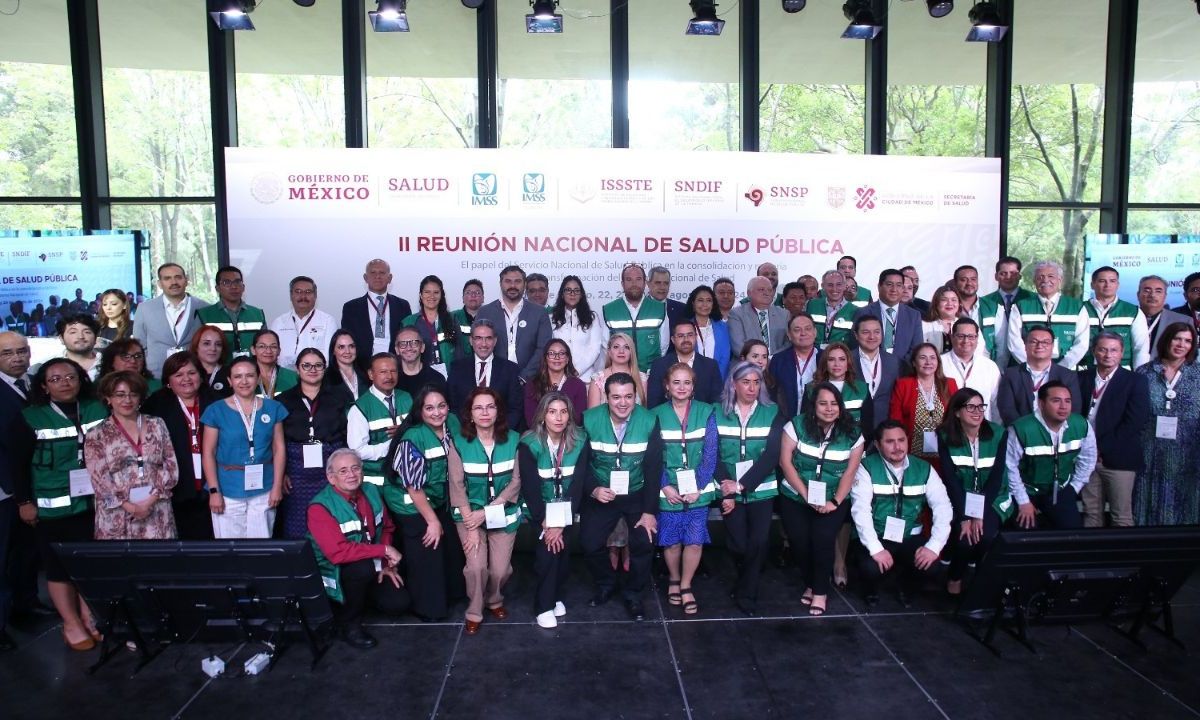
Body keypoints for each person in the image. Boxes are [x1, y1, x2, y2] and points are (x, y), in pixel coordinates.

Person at [13, 358, 107, 650]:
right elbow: (17, 463)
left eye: (71, 377)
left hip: (93, 502)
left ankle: (89, 615)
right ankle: (71, 622)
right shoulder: (31, 416)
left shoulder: (96, 408)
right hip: (52, 506)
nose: (65, 383)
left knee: (89, 563)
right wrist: (24, 501)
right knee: (58, 567)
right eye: (56, 379)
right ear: (43, 385)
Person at [580, 373, 664, 621]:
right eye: (616, 397)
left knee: (644, 543)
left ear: (635, 396)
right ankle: (606, 584)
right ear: (606, 397)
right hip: (602, 493)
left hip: (637, 493)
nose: (623, 403)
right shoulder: (588, 419)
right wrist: (593, 489)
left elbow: (653, 468)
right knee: (589, 542)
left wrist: (649, 512)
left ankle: (633, 593)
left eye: (629, 396)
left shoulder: (649, 420)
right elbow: (581, 465)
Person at [307, 448, 409, 649]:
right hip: (335, 573)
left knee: (399, 603)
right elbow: (338, 553)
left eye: (355, 468)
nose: (351, 475)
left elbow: (387, 527)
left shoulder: (370, 490)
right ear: (331, 477)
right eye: (343, 471)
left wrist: (386, 563)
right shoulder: (319, 507)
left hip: (371, 563)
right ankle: (348, 623)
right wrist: (384, 551)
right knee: (361, 569)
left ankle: (362, 598)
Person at [779, 382, 865, 615]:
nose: (829, 409)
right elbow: (785, 463)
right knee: (799, 541)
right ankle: (811, 582)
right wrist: (806, 496)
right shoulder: (795, 426)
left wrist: (834, 502)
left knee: (823, 538)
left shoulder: (853, 434)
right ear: (813, 405)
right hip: (795, 495)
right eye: (823, 403)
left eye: (834, 403)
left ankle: (820, 592)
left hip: (833, 498)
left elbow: (850, 471)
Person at [385, 384, 465, 622]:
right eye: (429, 408)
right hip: (410, 502)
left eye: (441, 406)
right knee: (430, 543)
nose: (437, 412)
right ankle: (428, 608)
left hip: (437, 498)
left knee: (451, 544)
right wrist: (432, 521)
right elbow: (413, 486)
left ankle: (454, 596)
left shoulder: (452, 423)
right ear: (420, 411)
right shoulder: (412, 438)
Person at [850, 420, 951, 607]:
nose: (897, 447)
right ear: (878, 446)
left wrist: (934, 547)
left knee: (932, 566)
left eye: (901, 440)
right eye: (890, 442)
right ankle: (870, 589)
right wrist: (876, 549)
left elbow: (943, 508)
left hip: (909, 536)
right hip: (877, 534)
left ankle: (906, 585)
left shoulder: (924, 469)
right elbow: (860, 512)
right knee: (870, 568)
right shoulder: (865, 467)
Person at [448, 388, 522, 635]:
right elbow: (456, 485)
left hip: (503, 513)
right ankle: (475, 611)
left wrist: (489, 510)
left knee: (501, 570)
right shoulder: (458, 442)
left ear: (498, 410)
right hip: (470, 515)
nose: (485, 412)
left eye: (490, 406)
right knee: (476, 566)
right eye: (478, 408)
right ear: (470, 414)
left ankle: (495, 599)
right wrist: (471, 524)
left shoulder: (514, 439)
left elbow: (516, 482)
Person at [714, 362, 780, 616]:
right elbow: (712, 453)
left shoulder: (772, 411)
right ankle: (746, 581)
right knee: (738, 544)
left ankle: (747, 594)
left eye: (756, 382)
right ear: (733, 383)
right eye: (746, 382)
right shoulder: (716, 411)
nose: (752, 388)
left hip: (760, 489)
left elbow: (771, 456)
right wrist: (727, 486)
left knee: (759, 541)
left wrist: (743, 485)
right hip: (728, 487)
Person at [519, 391, 589, 629]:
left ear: (570, 416)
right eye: (552, 412)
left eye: (563, 411)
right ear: (542, 416)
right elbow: (530, 488)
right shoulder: (528, 443)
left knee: (563, 554)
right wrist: (547, 523)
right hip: (540, 510)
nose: (558, 417)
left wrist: (561, 523)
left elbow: (578, 485)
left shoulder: (580, 441)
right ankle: (543, 606)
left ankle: (556, 596)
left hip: (567, 508)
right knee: (548, 554)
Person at [652, 363, 718, 616]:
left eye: (687, 382)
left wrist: (699, 486)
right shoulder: (655, 414)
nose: (682, 387)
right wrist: (665, 485)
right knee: (670, 539)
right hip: (667, 488)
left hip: (698, 489)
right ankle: (674, 578)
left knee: (694, 538)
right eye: (676, 382)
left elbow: (711, 452)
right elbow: (653, 455)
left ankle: (687, 584)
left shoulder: (706, 412)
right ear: (667, 386)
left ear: (693, 387)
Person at [200, 356, 287, 539]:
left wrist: (277, 486)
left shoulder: (273, 408)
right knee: (231, 549)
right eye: (238, 377)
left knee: (262, 547)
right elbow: (208, 453)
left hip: (264, 486)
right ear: (230, 381)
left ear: (257, 379)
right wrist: (214, 491)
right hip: (227, 488)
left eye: (249, 375)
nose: (244, 381)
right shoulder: (216, 410)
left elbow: (279, 449)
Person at [84, 370, 178, 540]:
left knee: (159, 563)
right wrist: (131, 507)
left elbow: (170, 465)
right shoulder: (96, 434)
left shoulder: (157, 424)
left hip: (156, 508)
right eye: (120, 395)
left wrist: (150, 500)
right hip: (118, 513)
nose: (127, 400)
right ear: (108, 398)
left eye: (133, 394)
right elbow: (99, 479)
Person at [936, 388, 1007, 595]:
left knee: (986, 538)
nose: (977, 411)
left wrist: (979, 514)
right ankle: (954, 578)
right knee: (965, 538)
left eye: (980, 406)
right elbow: (950, 480)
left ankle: (983, 586)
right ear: (957, 412)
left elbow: (996, 479)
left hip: (992, 499)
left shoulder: (998, 434)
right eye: (970, 407)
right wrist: (965, 516)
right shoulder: (944, 435)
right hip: (959, 498)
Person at [1078, 332, 1151, 527]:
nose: (1107, 355)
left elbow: (1135, 421)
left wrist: (1101, 448)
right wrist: (1088, 450)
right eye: (1102, 349)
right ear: (1094, 351)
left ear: (1122, 353)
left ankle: (1122, 557)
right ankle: (1090, 556)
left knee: (1122, 516)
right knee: (1090, 513)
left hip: (1119, 459)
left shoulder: (1135, 381)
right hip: (1086, 458)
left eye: (1113, 350)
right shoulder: (1081, 378)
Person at [277, 348, 350, 540]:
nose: (312, 370)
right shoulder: (283, 400)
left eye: (318, 365)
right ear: (297, 369)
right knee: (297, 521)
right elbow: (278, 440)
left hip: (329, 465)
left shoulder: (339, 397)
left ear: (325, 368)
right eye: (306, 365)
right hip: (296, 469)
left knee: (330, 517)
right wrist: (282, 472)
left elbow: (346, 433)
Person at [142, 352, 214, 540]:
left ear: (201, 375)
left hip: (213, 486)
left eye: (191, 373)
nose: (186, 379)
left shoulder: (216, 400)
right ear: (168, 381)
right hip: (175, 488)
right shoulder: (156, 404)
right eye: (178, 375)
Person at [1006, 381, 1097, 530]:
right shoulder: (1020, 429)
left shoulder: (1081, 425)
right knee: (1025, 531)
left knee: (1072, 533)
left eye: (1067, 401)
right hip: (1025, 490)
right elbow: (1009, 467)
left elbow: (1088, 460)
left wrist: (1073, 488)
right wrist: (1023, 501)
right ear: (1041, 404)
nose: (1063, 406)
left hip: (1061, 489)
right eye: (1056, 401)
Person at [1134, 322, 1200, 525]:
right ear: (1166, 340)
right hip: (1149, 450)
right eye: (1177, 339)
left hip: (1188, 452)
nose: (1181, 344)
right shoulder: (1144, 372)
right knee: (1146, 497)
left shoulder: (1197, 374)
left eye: (1188, 341)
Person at [0, 332, 33, 648]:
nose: (17, 358)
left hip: (31, 485)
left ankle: (26, 606)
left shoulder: (35, 384)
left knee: (26, 553)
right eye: (8, 353)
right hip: (5, 490)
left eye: (21, 351)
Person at [1006, 260, 1089, 369]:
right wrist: (1033, 367)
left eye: (1051, 276)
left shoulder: (1076, 307)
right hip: (1029, 371)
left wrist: (1061, 368)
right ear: (1034, 281)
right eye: (1040, 277)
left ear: (1060, 280)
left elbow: (1081, 344)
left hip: (1066, 371)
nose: (1045, 280)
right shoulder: (1020, 307)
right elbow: (1014, 343)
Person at [475, 265, 553, 380]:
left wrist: (524, 377)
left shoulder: (539, 312)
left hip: (531, 381)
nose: (512, 286)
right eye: (508, 281)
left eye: (517, 281)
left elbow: (543, 348)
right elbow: (479, 345)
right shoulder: (485, 312)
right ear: (500, 284)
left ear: (525, 285)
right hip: (494, 378)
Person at [347, 353, 413, 487]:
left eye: (393, 371)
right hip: (377, 482)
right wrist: (393, 444)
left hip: (406, 477)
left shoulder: (407, 398)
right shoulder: (359, 408)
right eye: (383, 372)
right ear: (371, 374)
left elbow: (420, 431)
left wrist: (406, 433)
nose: (389, 376)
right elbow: (357, 451)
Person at [133, 263, 210, 379]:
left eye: (178, 277)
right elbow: (139, 346)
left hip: (193, 376)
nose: (173, 282)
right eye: (167, 278)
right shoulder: (144, 309)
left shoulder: (204, 308)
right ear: (160, 283)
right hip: (156, 375)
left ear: (186, 280)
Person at [889, 343, 958, 470]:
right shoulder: (903, 385)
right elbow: (895, 419)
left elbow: (956, 419)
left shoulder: (950, 384)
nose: (928, 362)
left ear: (938, 362)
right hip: (912, 453)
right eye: (923, 358)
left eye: (932, 358)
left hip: (944, 452)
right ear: (914, 363)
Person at [995, 326, 1082, 425]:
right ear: (1025, 345)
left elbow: (1074, 409)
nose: (1039, 345)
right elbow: (1007, 410)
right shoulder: (1011, 374)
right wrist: (1028, 432)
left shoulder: (1067, 376)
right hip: (1021, 434)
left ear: (1053, 346)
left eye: (1045, 342)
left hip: (1058, 434)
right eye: (1033, 342)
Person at [447, 319, 523, 431]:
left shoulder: (510, 369)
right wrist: (466, 431)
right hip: (466, 436)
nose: (483, 344)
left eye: (488, 338)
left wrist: (500, 432)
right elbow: (453, 407)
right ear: (471, 340)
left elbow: (515, 408)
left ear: (495, 341)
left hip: (501, 435)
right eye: (478, 338)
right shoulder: (457, 368)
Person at [340, 259, 413, 369]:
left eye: (382, 273)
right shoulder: (351, 307)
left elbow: (408, 337)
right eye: (373, 273)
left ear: (390, 278)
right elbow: (348, 341)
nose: (377, 276)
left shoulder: (402, 305)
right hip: (362, 367)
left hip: (395, 367)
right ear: (365, 278)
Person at [1079, 266, 1150, 372]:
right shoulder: (1079, 309)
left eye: (1112, 281)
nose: (1107, 285)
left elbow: (1140, 349)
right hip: (1084, 371)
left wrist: (1139, 376)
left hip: (1122, 373)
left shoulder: (1133, 311)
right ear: (1092, 285)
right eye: (1102, 281)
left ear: (1118, 285)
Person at [601, 263, 669, 373]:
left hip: (650, 374)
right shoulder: (609, 310)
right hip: (620, 375)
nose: (634, 284)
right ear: (622, 284)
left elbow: (663, 345)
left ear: (645, 283)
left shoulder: (659, 309)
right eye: (629, 279)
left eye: (638, 279)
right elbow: (605, 345)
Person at [194, 265, 266, 361]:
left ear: (243, 287)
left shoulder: (257, 314)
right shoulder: (204, 315)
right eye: (226, 282)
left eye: (237, 282)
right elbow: (196, 349)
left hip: (251, 372)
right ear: (217, 288)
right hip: (218, 371)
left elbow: (265, 344)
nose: (233, 286)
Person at [647, 319, 723, 407]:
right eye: (680, 336)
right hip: (668, 419)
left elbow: (717, 401)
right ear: (673, 339)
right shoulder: (659, 365)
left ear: (696, 336)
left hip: (704, 418)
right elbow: (653, 403)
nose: (686, 339)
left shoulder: (710, 365)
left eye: (690, 335)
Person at [269, 275, 338, 370]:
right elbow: (271, 355)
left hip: (316, 377)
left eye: (308, 292)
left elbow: (330, 356)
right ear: (291, 295)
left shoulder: (328, 321)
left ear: (315, 295)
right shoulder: (278, 323)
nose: (303, 296)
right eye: (298, 292)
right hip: (284, 379)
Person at [940, 318, 1002, 424]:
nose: (966, 341)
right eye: (961, 336)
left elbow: (996, 404)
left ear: (977, 339)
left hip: (982, 429)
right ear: (951, 337)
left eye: (971, 337)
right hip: (947, 429)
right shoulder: (939, 363)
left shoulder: (990, 366)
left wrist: (994, 429)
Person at [854, 269, 924, 362]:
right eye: (889, 284)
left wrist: (897, 368)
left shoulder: (913, 315)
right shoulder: (863, 312)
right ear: (879, 287)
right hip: (870, 369)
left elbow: (917, 349)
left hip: (903, 370)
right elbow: (856, 346)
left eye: (899, 285)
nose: (894, 289)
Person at [805, 341, 873, 432]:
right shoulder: (811, 389)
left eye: (842, 359)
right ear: (825, 363)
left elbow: (868, 427)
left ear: (848, 364)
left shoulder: (862, 389)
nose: (837, 364)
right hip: (819, 442)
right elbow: (806, 422)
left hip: (854, 443)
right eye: (831, 359)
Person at [982, 256, 1036, 368]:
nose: (1008, 277)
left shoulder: (1032, 300)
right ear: (996, 276)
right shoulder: (985, 302)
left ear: (1020, 276)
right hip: (994, 361)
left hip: (1026, 360)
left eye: (1013, 273)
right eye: (1003, 273)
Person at [401, 275, 460, 376]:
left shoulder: (452, 319)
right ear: (421, 295)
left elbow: (460, 351)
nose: (432, 296)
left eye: (436, 292)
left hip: (449, 377)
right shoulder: (409, 322)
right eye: (427, 292)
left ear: (441, 295)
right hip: (419, 377)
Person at [550, 275, 605, 382]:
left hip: (586, 378)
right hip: (558, 377)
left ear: (581, 295)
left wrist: (576, 371)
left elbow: (595, 348)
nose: (572, 294)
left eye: (576, 290)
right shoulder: (552, 318)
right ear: (562, 294)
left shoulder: (592, 317)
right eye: (568, 290)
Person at [767, 312, 822, 418]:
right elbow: (771, 395)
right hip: (785, 421)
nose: (803, 333)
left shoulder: (825, 358)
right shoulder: (778, 360)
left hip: (818, 421)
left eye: (808, 329)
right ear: (789, 335)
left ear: (815, 332)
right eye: (797, 330)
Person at [853, 315, 900, 436]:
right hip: (852, 429)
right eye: (865, 332)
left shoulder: (895, 362)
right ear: (856, 335)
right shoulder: (846, 360)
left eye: (877, 332)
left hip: (884, 429)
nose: (872, 337)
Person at [523, 339, 588, 427]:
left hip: (569, 436)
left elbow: (578, 419)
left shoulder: (578, 385)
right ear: (545, 358)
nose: (557, 357)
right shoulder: (533, 384)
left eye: (561, 353)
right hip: (539, 435)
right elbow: (531, 419)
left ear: (567, 359)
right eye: (552, 353)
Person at [952, 264, 1004, 363]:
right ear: (955, 283)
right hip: (954, 364)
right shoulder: (949, 308)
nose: (969, 283)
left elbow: (1001, 346)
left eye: (973, 279)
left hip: (986, 364)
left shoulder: (994, 308)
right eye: (963, 280)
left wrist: (997, 369)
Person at [728, 276, 790, 357]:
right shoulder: (736, 314)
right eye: (761, 289)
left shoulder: (784, 314)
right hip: (747, 366)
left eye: (770, 290)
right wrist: (761, 359)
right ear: (749, 293)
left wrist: (773, 360)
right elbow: (738, 346)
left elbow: (788, 343)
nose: (767, 293)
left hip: (777, 364)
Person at [588, 332, 648, 408]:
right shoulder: (597, 379)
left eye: (626, 347)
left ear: (631, 352)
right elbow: (593, 415)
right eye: (616, 347)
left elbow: (644, 413)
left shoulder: (642, 378)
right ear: (609, 352)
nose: (621, 351)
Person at [1137, 275, 1190, 358]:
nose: (1152, 295)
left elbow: (1189, 355)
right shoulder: (1127, 318)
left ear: (1165, 296)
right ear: (1138, 294)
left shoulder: (1183, 321)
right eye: (1147, 290)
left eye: (1158, 291)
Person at [685, 284, 731, 378]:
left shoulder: (723, 327)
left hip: (718, 379)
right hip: (691, 380)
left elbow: (725, 357)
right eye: (700, 300)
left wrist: (717, 379)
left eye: (709, 300)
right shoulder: (685, 327)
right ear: (693, 303)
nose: (705, 304)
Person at [393, 326, 449, 399]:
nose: (409, 348)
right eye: (403, 344)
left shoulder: (436, 379)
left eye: (414, 343)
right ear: (397, 350)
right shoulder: (392, 379)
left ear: (422, 347)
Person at [809, 270, 857, 350]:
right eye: (830, 285)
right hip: (813, 355)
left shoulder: (855, 311)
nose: (834, 289)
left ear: (845, 286)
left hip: (840, 357)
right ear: (823, 286)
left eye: (838, 284)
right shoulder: (812, 305)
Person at [922, 285, 974, 355]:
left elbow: (980, 350)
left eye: (954, 300)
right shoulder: (924, 325)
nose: (950, 303)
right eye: (944, 300)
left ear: (959, 304)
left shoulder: (969, 325)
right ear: (936, 303)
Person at [250, 329, 298, 398]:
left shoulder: (292, 377)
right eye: (262, 346)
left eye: (273, 347)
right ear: (253, 350)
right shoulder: (245, 377)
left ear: (279, 351)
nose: (268, 351)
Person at [55, 314, 102, 381]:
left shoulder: (109, 363)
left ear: (96, 337)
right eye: (73, 332)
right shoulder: (50, 366)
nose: (80, 336)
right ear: (61, 338)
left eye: (87, 332)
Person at [325, 329, 368, 404]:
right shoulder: (326, 377)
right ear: (333, 351)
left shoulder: (367, 373)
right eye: (341, 347)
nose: (347, 351)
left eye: (351, 346)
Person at [190, 324, 231, 397]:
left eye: (218, 344)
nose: (213, 349)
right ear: (196, 347)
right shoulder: (187, 374)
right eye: (206, 343)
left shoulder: (231, 373)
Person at [452, 279, 485, 359]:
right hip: (460, 366)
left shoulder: (490, 317)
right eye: (468, 292)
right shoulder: (452, 317)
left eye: (477, 292)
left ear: (483, 298)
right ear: (463, 298)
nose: (473, 295)